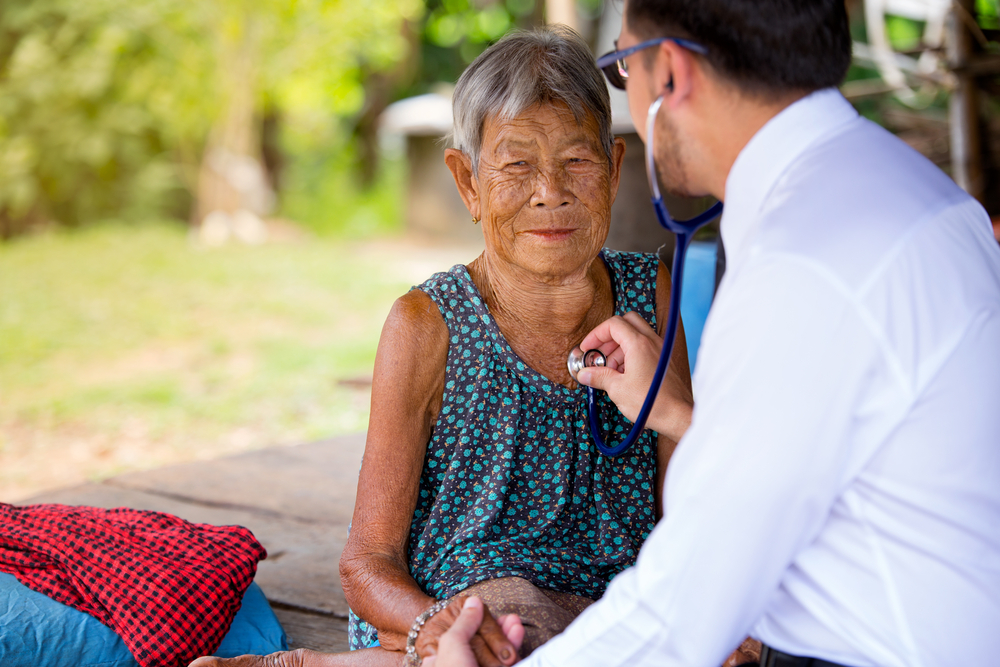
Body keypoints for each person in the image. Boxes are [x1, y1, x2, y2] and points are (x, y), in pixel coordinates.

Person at [426, 0, 1000, 666]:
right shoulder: (908, 191)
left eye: (621, 69)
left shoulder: (802, 262)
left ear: (668, 71)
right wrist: (675, 412)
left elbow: (684, 611)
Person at [189, 26, 708, 667]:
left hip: (622, 603)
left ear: (615, 169)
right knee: (512, 631)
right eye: (516, 165)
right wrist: (431, 624)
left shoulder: (646, 296)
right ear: (467, 183)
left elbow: (687, 492)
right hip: (472, 613)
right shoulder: (426, 324)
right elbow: (366, 563)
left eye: (577, 160)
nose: (550, 190)